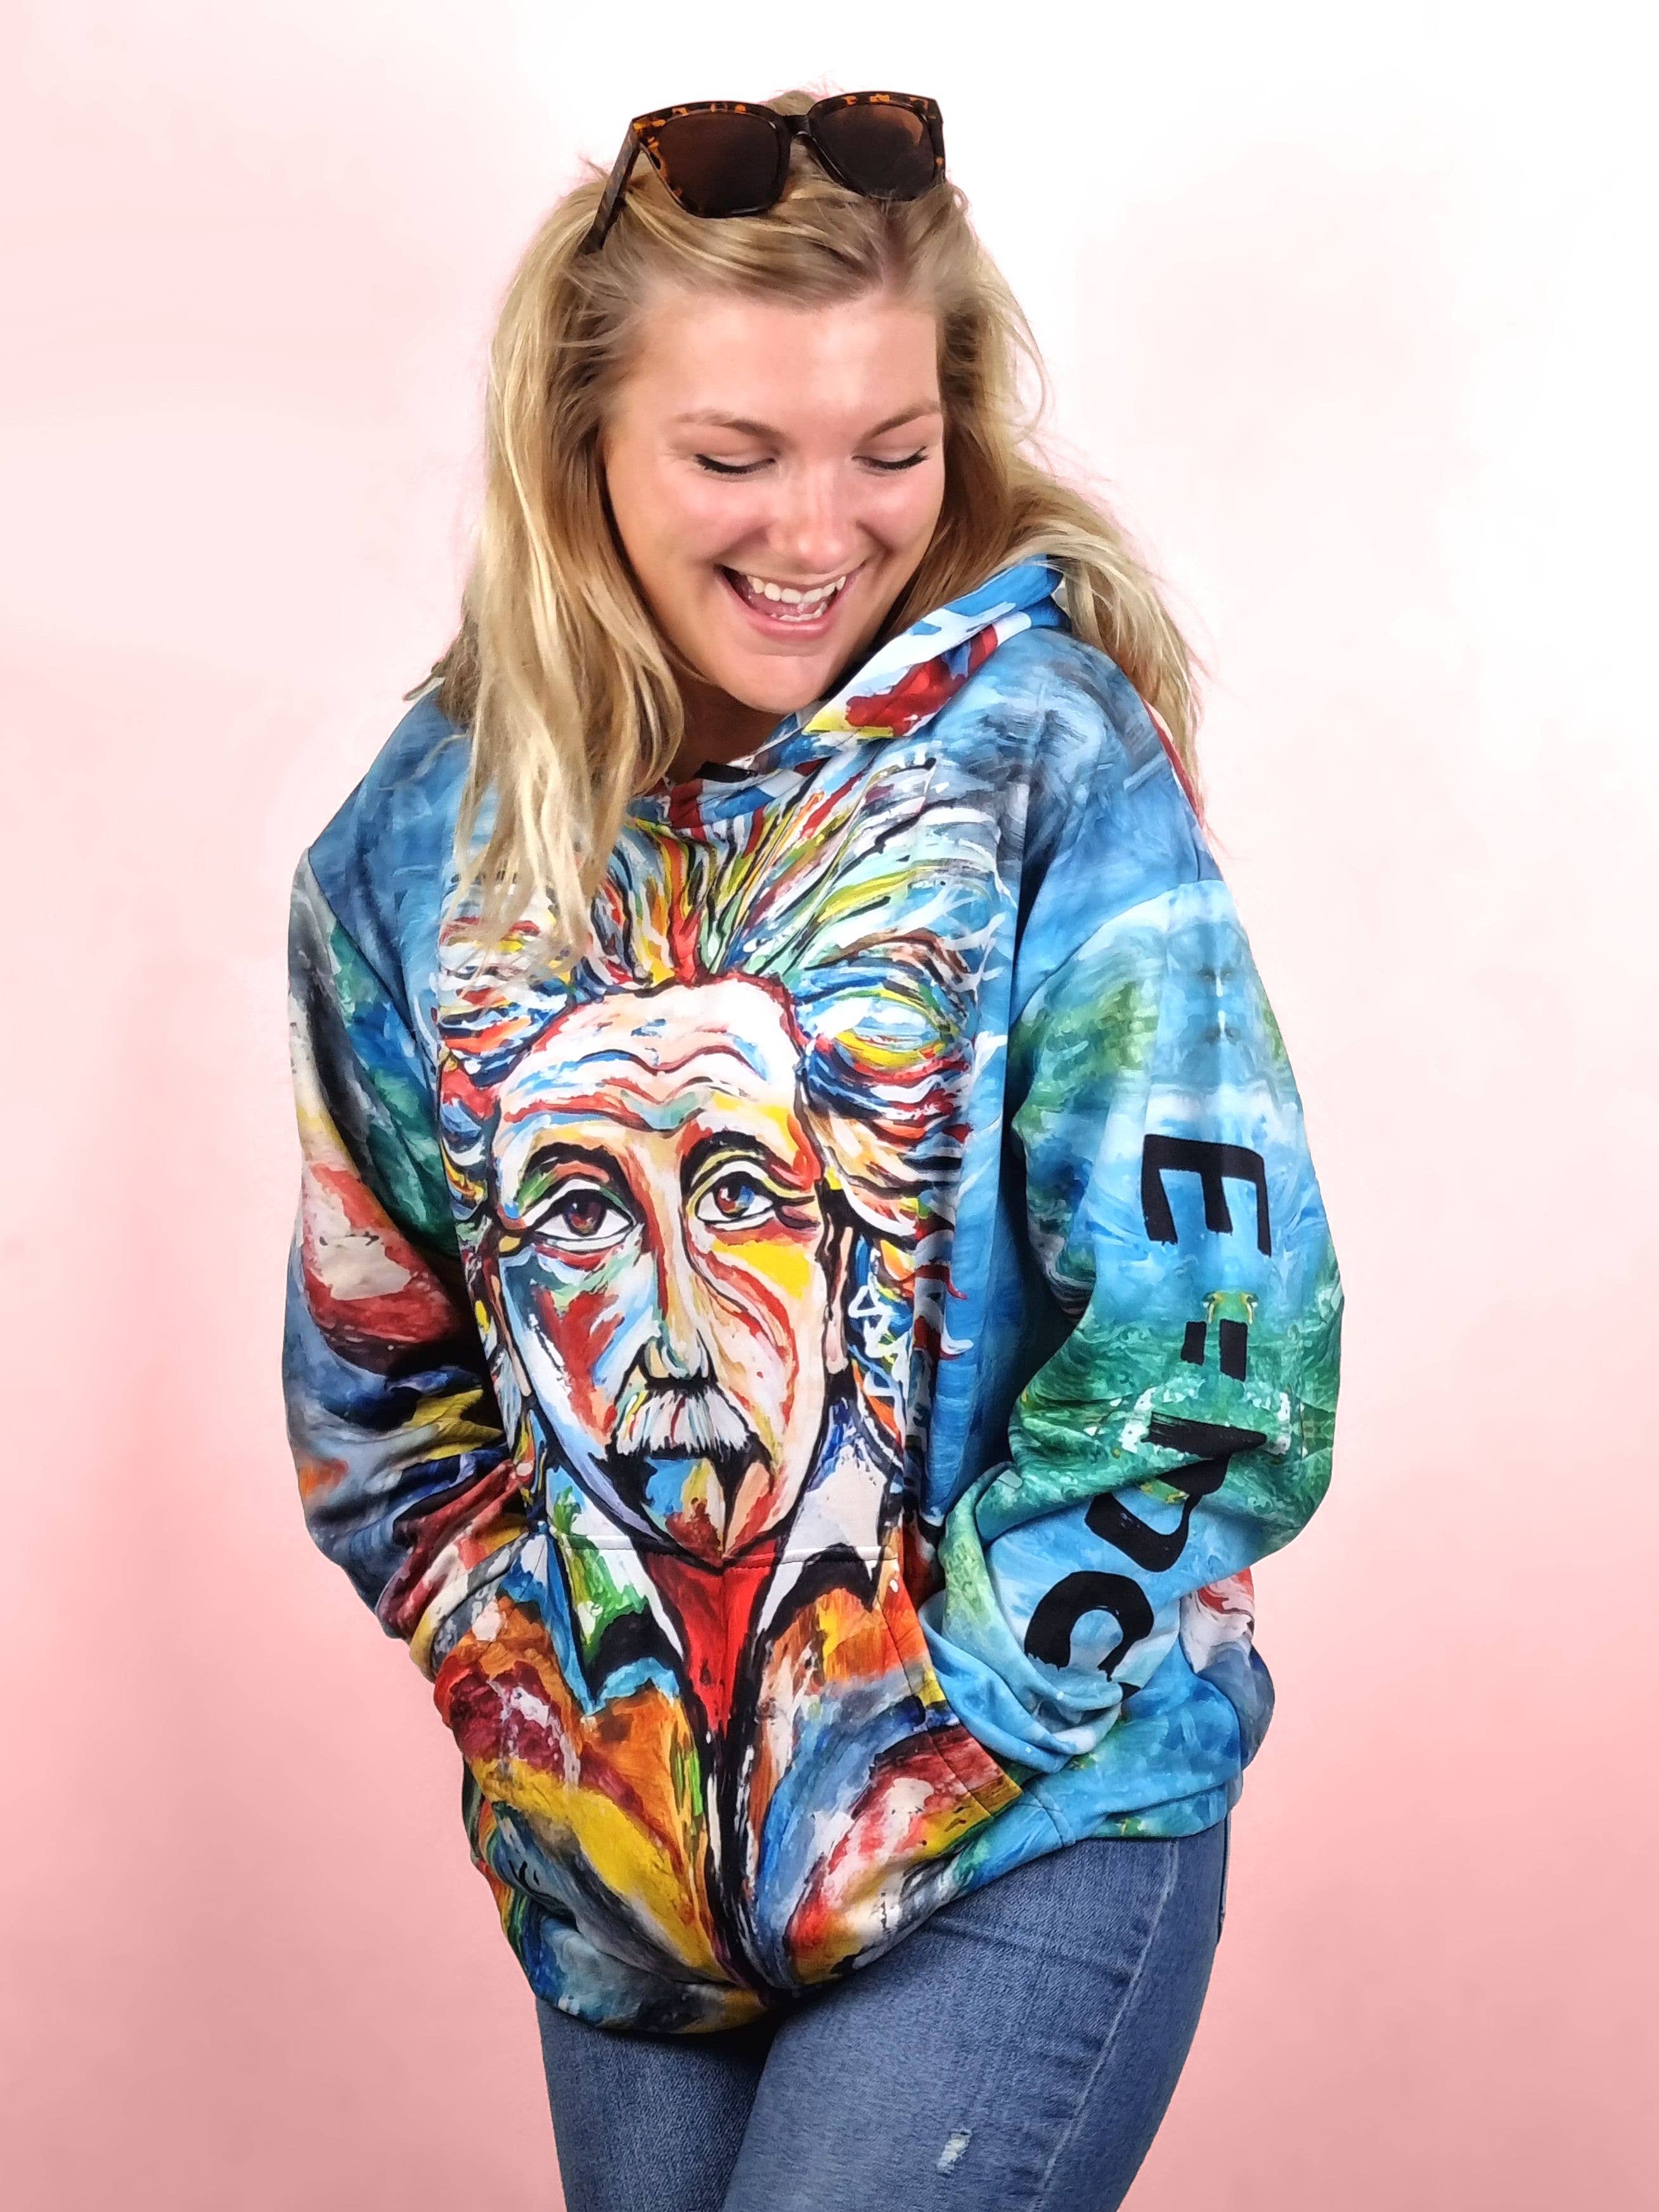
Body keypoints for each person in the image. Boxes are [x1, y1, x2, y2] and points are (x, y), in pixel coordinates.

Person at [282, 86, 1343, 2212]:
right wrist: (558, 1724)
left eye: (889, 445)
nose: (819, 525)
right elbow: (376, 1391)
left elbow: (1217, 1347)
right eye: (732, 453)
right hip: (630, 1897)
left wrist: (929, 1717)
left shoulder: (1042, 767)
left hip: (1024, 1815)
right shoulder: (410, 852)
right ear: (581, 444)